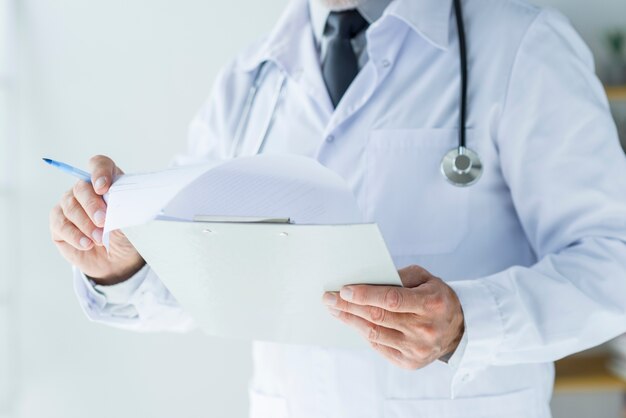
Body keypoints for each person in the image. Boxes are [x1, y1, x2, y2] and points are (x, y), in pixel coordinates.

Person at [49, 0, 626, 416]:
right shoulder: (252, 76)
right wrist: (120, 262)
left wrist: (468, 323)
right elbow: (200, 285)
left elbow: (613, 262)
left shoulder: (521, 44)